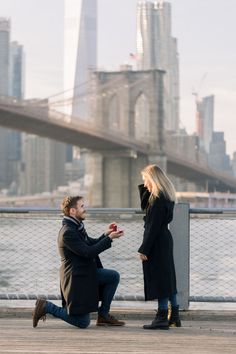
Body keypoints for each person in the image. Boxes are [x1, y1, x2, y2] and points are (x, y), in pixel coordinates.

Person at [33, 195, 125, 329]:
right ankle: (46, 306)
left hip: (85, 273)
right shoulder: (68, 232)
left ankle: (103, 316)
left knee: (113, 276)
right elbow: (88, 252)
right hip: (76, 280)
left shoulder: (76, 227)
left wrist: (106, 235)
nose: (85, 209)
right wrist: (109, 239)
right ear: (72, 211)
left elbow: (90, 244)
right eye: (82, 206)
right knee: (83, 322)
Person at [138, 164, 181, 330]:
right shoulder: (165, 195)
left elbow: (152, 227)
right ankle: (174, 316)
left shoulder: (157, 200)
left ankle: (161, 317)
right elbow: (144, 206)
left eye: (146, 180)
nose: (145, 184)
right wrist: (147, 187)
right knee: (168, 277)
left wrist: (143, 249)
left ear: (153, 179)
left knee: (160, 279)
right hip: (164, 239)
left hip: (157, 241)